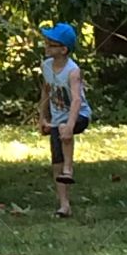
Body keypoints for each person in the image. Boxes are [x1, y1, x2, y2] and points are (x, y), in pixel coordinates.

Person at [38, 22, 92, 219]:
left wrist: (70, 125)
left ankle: (69, 169)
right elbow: (46, 90)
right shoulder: (46, 66)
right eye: (46, 43)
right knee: (55, 163)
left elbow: (77, 99)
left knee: (63, 130)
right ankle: (64, 205)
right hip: (58, 118)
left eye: (51, 44)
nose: (46, 47)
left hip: (79, 115)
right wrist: (42, 117)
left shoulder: (72, 71)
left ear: (63, 49)